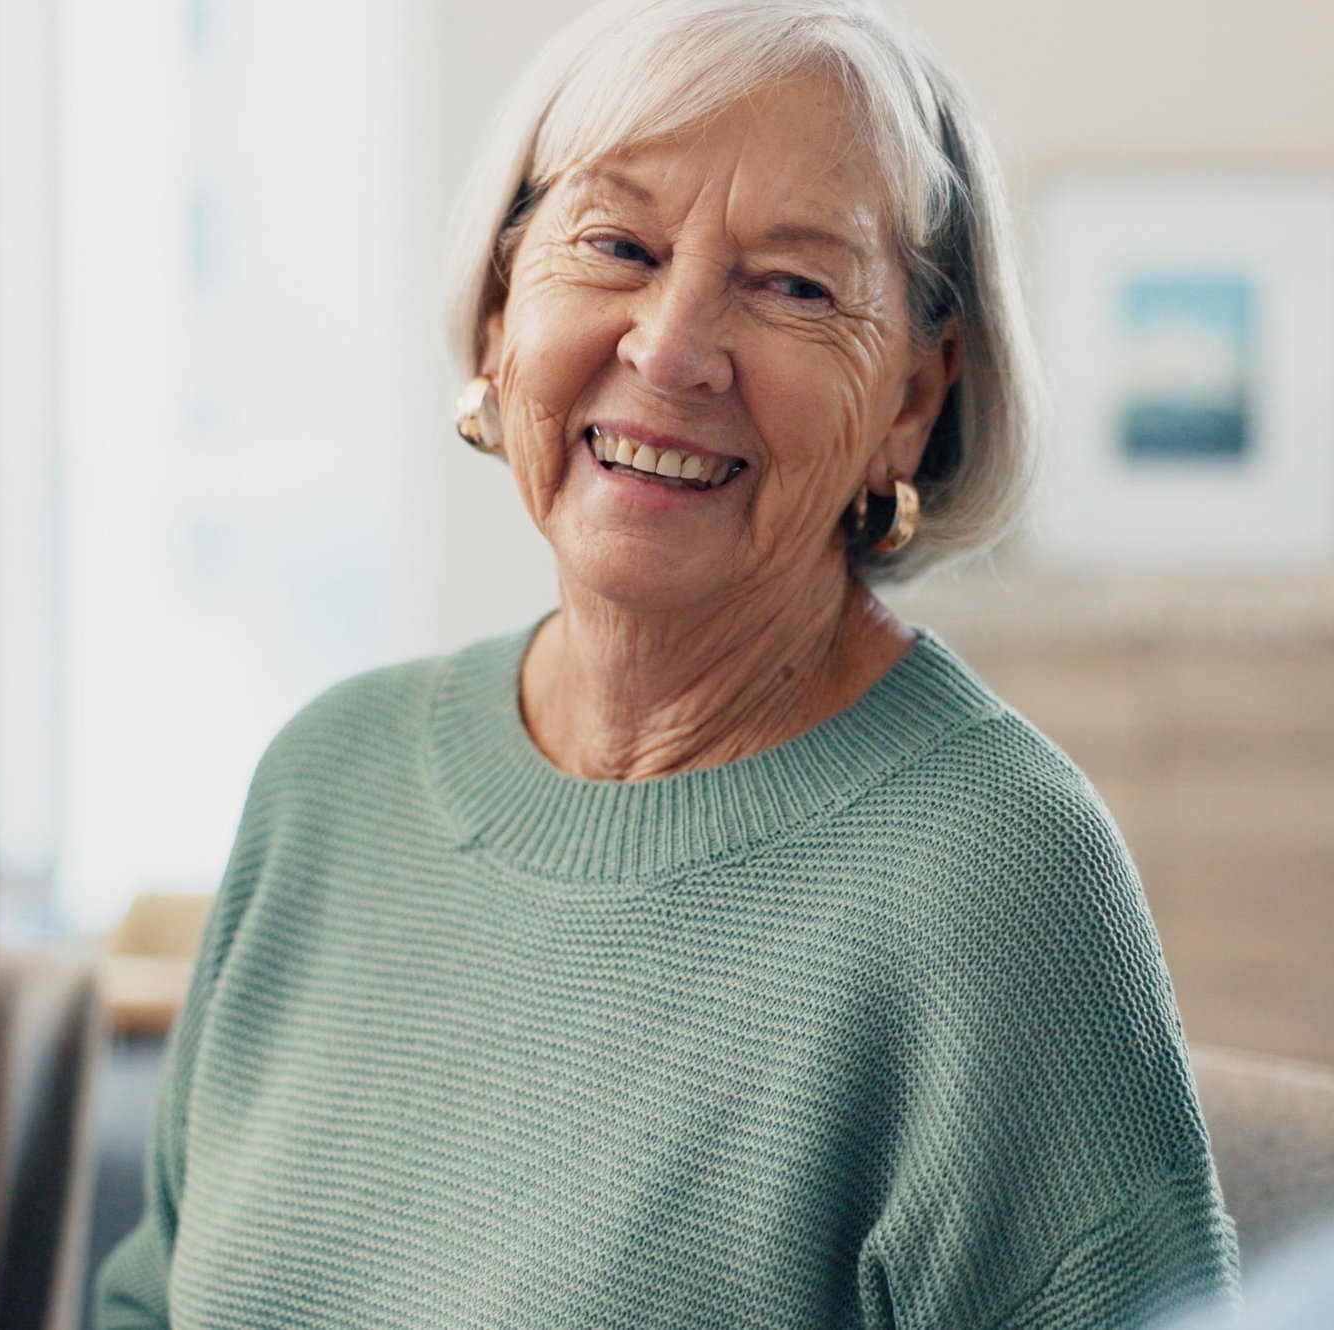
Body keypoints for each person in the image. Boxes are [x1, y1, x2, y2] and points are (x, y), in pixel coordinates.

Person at [97, 0, 1238, 1325]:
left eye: (795, 284)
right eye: (617, 245)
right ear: (496, 310)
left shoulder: (995, 878)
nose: (673, 346)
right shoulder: (327, 780)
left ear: (912, 401)